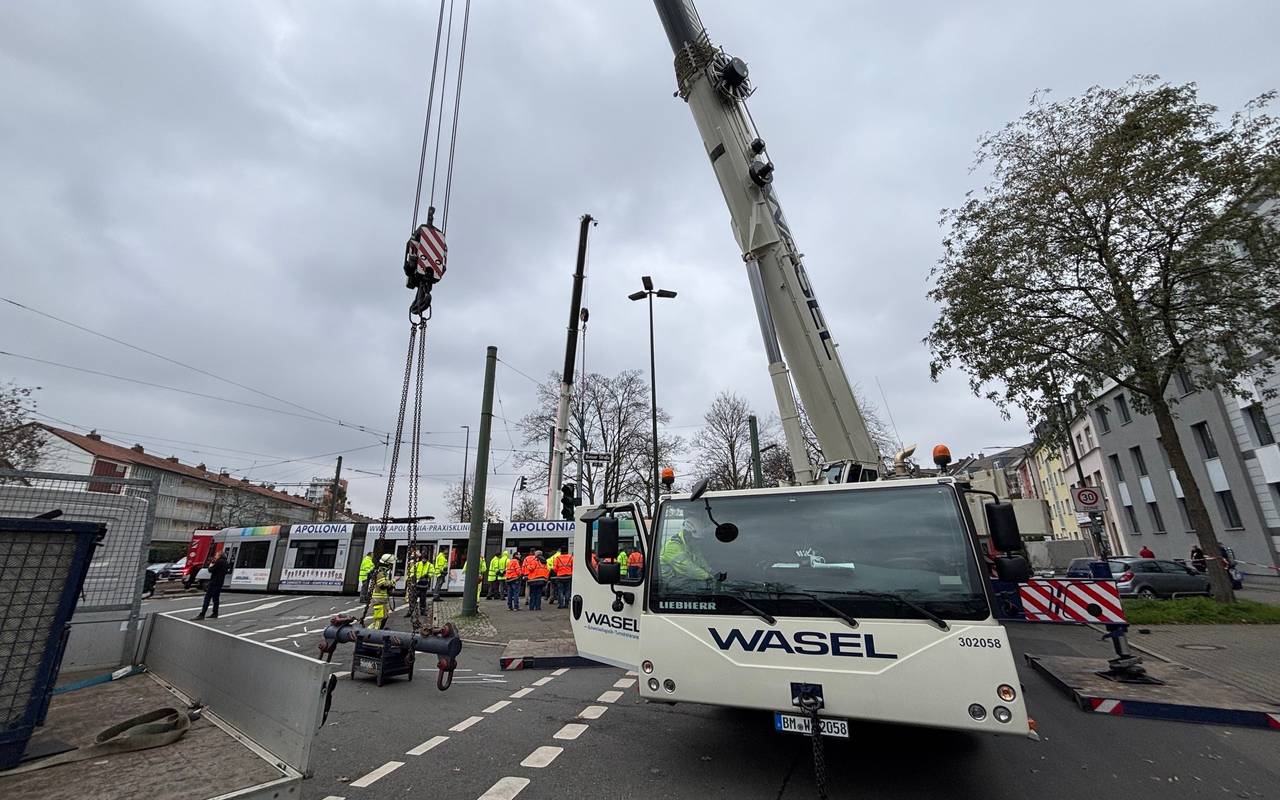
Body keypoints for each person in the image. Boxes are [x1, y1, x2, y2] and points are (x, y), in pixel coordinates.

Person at [660, 518, 713, 587]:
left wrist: (710, 570)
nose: (697, 542)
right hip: (666, 583)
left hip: (681, 579)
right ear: (686, 534)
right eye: (695, 539)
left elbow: (699, 559)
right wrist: (709, 577)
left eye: (698, 540)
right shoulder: (673, 547)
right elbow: (689, 569)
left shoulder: (690, 544)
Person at [193, 552, 231, 620]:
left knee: (207, 598)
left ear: (219, 556)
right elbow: (226, 571)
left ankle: (202, 614)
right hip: (220, 582)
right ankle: (215, 613)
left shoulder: (218, 562)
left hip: (214, 582)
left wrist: (210, 566)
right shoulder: (226, 562)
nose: (215, 556)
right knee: (216, 599)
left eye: (216, 555)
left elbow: (211, 570)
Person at [369, 553, 396, 630]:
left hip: (382, 600)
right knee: (379, 620)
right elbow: (382, 585)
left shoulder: (383, 572)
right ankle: (374, 634)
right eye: (391, 564)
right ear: (387, 563)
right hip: (379, 600)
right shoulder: (381, 572)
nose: (392, 566)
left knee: (384, 617)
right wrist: (393, 582)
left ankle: (370, 632)